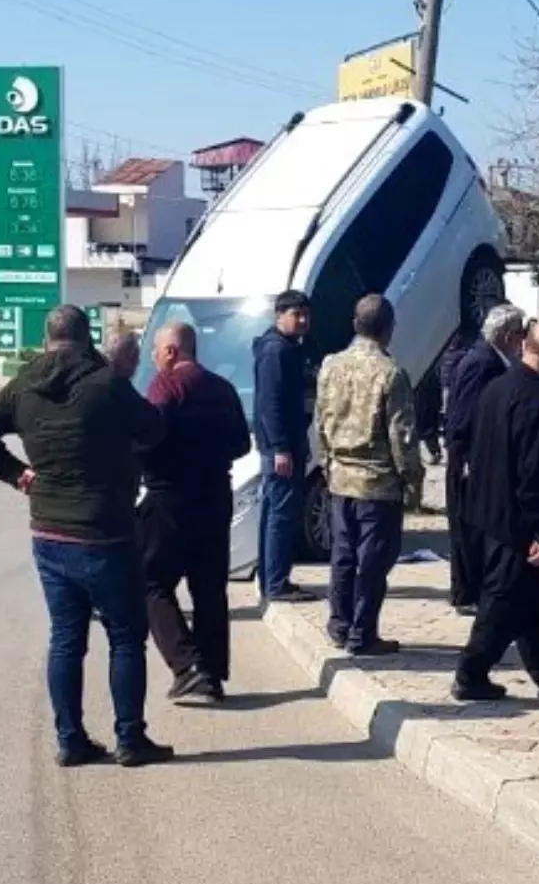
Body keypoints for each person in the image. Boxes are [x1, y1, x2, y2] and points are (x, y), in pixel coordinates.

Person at [0, 304, 172, 768]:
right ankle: (130, 739)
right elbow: (153, 427)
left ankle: (70, 739)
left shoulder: (24, 386)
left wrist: (17, 474)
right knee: (125, 637)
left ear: (47, 338)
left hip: (49, 534)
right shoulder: (107, 385)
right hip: (105, 533)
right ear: (85, 338)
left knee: (66, 639)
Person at [451, 319, 539, 704]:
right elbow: (534, 474)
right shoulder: (536, 402)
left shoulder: (498, 387)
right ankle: (470, 672)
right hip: (518, 524)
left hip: (489, 511)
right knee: (504, 600)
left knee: (529, 604)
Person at [141, 319, 252, 703]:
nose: (154, 358)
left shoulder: (165, 386)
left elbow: (148, 441)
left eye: (155, 351)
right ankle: (212, 673)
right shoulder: (223, 389)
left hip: (171, 499)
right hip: (215, 496)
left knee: (150, 582)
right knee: (209, 588)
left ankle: (188, 666)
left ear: (170, 351)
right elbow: (241, 443)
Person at [315, 293, 422, 657]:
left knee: (343, 556)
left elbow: (321, 419)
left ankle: (339, 624)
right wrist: (413, 479)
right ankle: (363, 633)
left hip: (340, 477)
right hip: (377, 483)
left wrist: (328, 460)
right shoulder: (391, 373)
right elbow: (401, 436)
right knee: (373, 562)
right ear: (388, 328)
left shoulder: (331, 365)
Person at [443, 305, 525, 610]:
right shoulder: (481, 363)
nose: (523, 341)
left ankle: (477, 588)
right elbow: (462, 415)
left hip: (481, 458)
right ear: (506, 335)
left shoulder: (494, 361)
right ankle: (467, 593)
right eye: (519, 334)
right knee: (467, 528)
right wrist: (464, 457)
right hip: (469, 460)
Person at [252, 290, 312, 602]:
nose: (302, 320)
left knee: (276, 511)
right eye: (295, 314)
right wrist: (280, 447)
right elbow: (270, 404)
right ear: (279, 316)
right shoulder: (276, 351)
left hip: (287, 444)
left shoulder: (287, 348)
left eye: (305, 314)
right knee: (281, 513)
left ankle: (272, 577)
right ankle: (275, 582)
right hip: (281, 448)